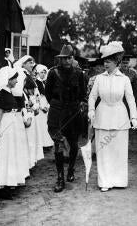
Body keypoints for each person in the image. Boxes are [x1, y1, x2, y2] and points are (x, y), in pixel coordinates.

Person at [88, 41, 137, 192]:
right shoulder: (99, 78)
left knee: (118, 150)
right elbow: (92, 97)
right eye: (104, 61)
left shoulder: (124, 79)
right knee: (103, 150)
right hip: (102, 115)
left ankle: (119, 180)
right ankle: (105, 181)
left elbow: (130, 99)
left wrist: (134, 117)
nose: (105, 64)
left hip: (120, 116)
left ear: (116, 62)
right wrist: (91, 110)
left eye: (109, 61)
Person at [45, 44, 87, 192]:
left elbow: (83, 94)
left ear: (72, 58)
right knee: (58, 144)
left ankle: (70, 169)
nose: (67, 61)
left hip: (74, 112)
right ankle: (60, 178)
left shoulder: (79, 73)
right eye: (64, 58)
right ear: (60, 59)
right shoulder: (53, 73)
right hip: (57, 111)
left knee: (74, 144)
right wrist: (58, 106)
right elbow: (48, 93)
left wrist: (79, 105)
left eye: (69, 58)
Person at [0, 67, 24, 198]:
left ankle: (9, 183)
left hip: (11, 129)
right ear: (7, 79)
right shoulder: (0, 95)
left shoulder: (9, 93)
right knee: (4, 156)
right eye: (14, 78)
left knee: (11, 156)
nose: (16, 81)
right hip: (4, 129)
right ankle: (2, 186)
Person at [34, 64, 54, 150]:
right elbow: (36, 96)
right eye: (41, 72)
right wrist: (42, 107)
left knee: (46, 125)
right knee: (40, 124)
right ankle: (41, 144)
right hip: (40, 104)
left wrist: (48, 105)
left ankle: (47, 143)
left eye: (44, 72)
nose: (43, 74)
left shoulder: (45, 82)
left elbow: (49, 95)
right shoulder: (36, 83)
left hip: (46, 103)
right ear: (38, 73)